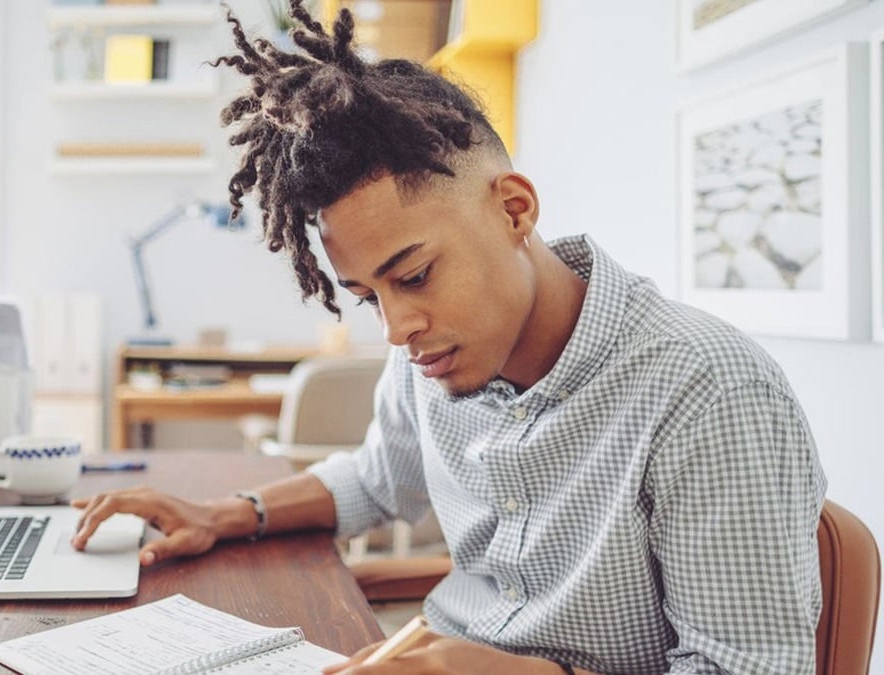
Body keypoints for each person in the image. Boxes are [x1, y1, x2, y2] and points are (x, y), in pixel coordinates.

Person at [72, 2, 827, 672]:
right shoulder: (433, 356)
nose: (399, 328)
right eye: (369, 297)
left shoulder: (710, 392)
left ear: (514, 209)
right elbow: (375, 479)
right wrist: (229, 513)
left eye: (417, 274)